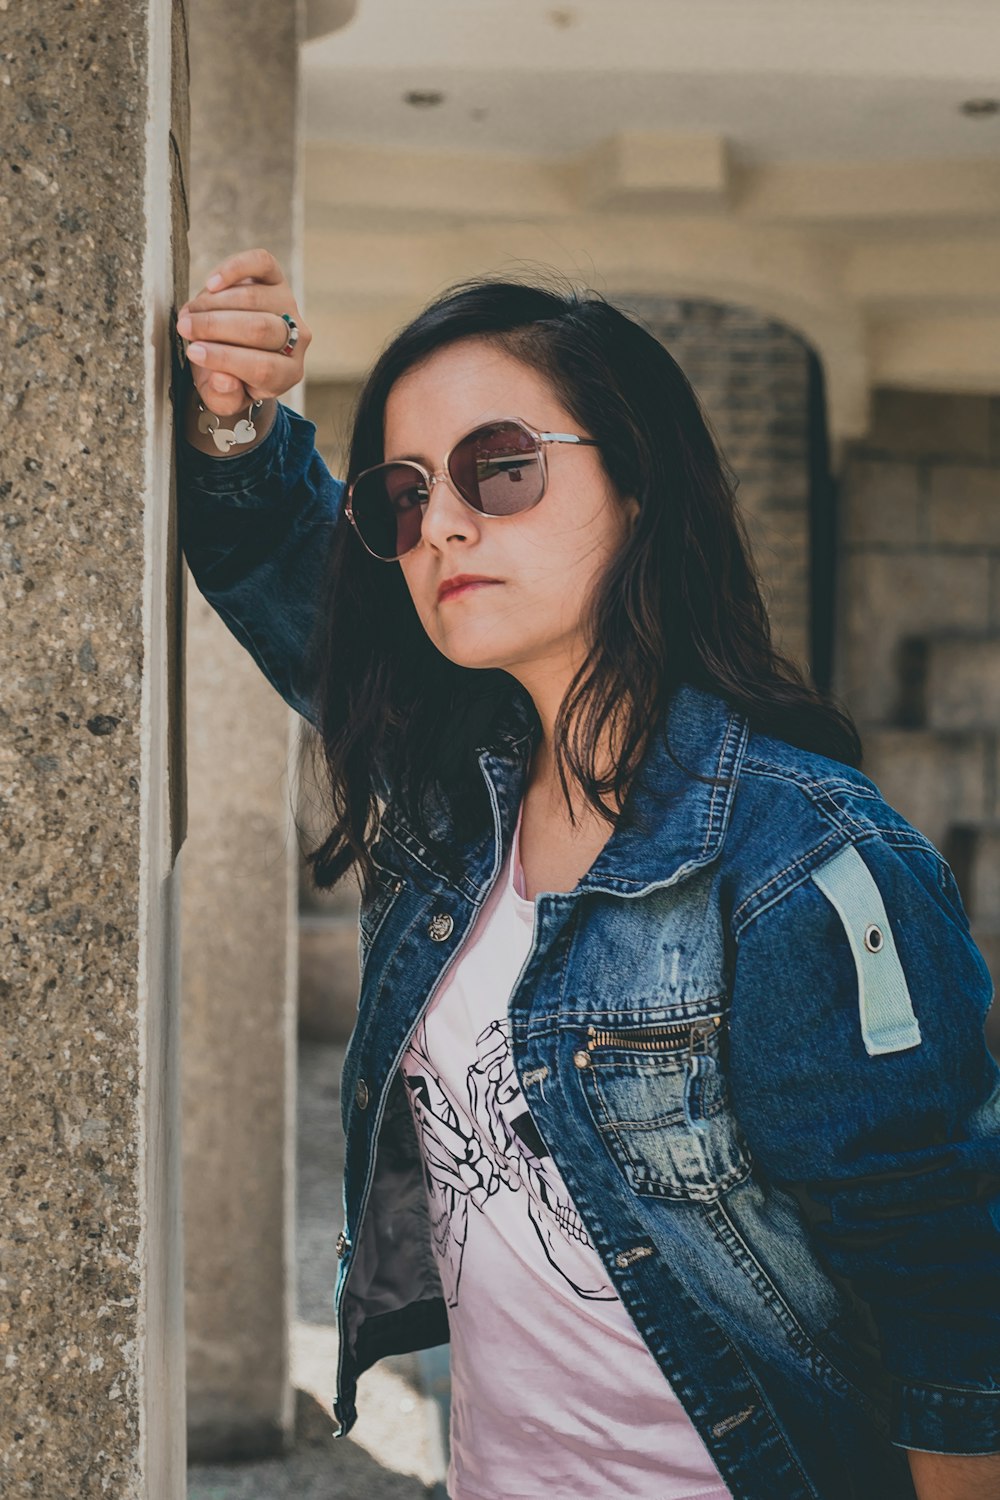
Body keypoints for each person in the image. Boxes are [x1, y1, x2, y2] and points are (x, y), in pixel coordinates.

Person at [174, 248, 1000, 1500]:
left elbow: (950, 1297)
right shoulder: (458, 798)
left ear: (638, 482)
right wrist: (234, 425)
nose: (441, 521)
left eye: (498, 467)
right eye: (401, 496)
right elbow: (294, 571)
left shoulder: (803, 860)